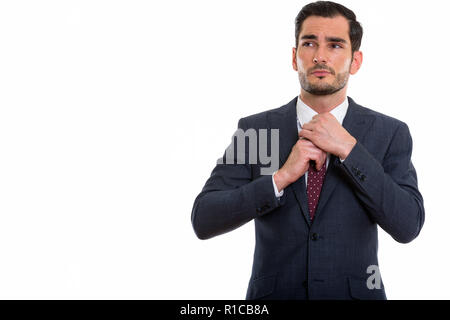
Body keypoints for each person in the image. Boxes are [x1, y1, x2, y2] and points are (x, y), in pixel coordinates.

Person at [191, 1, 425, 300]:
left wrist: (349, 150)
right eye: (309, 43)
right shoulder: (257, 130)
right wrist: (280, 178)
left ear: (356, 61)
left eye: (336, 45)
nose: (320, 56)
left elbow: (408, 226)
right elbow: (204, 218)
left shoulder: (390, 133)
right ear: (294, 57)